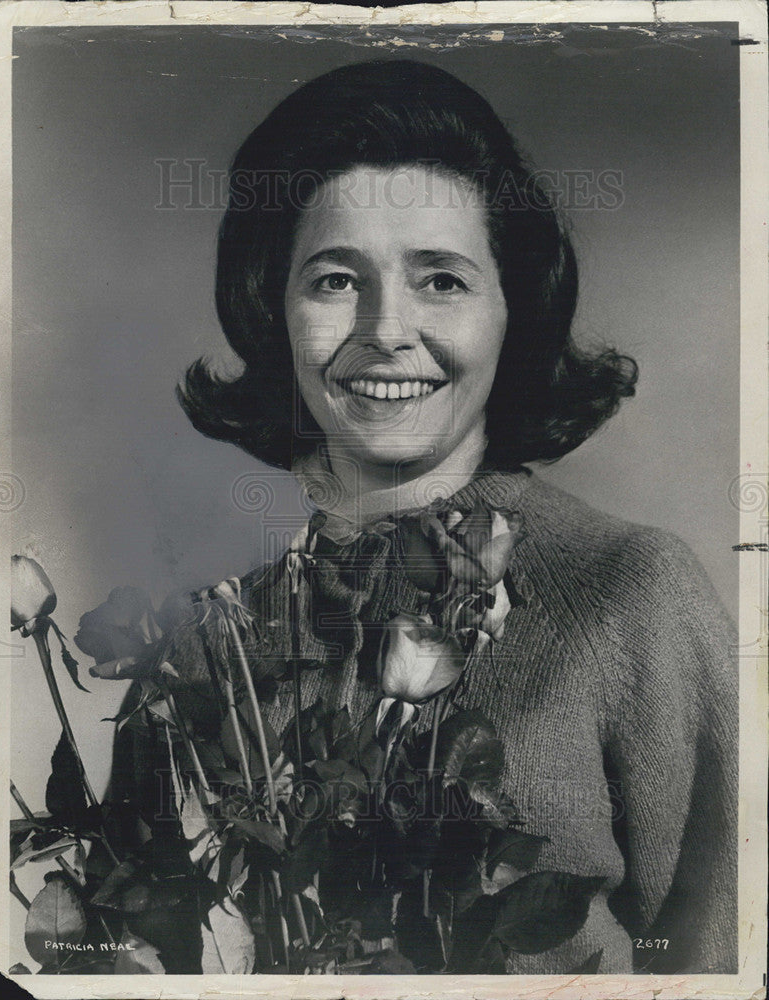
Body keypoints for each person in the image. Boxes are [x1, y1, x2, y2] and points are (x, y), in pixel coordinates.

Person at [98, 59, 738, 975]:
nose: (385, 330)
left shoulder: (629, 592)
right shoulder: (200, 653)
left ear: (512, 310)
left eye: (441, 280)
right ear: (270, 307)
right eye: (333, 280)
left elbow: (723, 951)